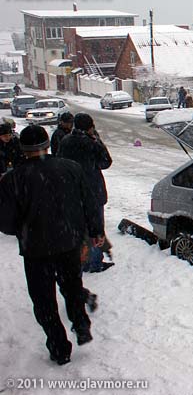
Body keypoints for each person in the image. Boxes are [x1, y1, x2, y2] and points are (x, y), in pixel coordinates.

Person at [0, 125, 104, 365]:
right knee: (71, 286)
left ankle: (59, 348)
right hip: (68, 242)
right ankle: (80, 323)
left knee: (43, 299)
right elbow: (90, 201)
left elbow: (5, 221)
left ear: (23, 149)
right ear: (47, 145)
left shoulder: (13, 179)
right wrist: (96, 231)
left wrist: (23, 229)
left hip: (36, 249)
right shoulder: (70, 168)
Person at [57, 114, 113, 272]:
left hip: (71, 192)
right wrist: (97, 141)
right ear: (90, 127)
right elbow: (106, 162)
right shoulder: (92, 143)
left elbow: (59, 162)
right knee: (95, 227)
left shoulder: (65, 141)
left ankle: (80, 259)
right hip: (92, 190)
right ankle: (94, 261)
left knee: (78, 228)